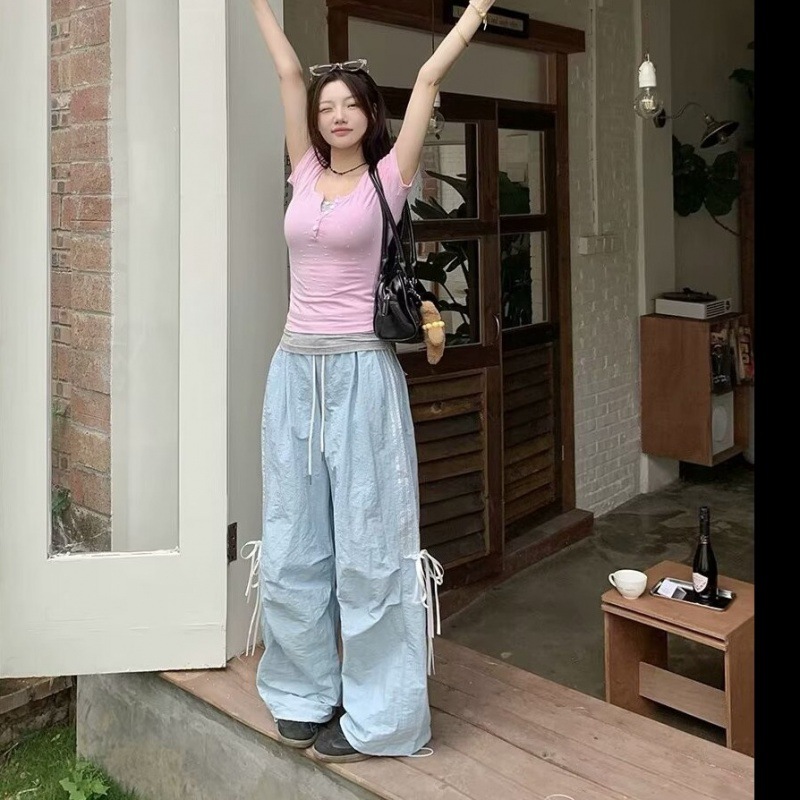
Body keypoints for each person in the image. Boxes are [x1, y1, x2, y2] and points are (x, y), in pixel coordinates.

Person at [246, 0, 497, 763]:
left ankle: (381, 717)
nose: (335, 114)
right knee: (292, 543)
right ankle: (304, 690)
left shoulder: (388, 180)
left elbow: (426, 81)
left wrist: (473, 15)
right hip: (294, 373)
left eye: (349, 104)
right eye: (326, 106)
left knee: (370, 550)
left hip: (361, 374)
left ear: (368, 114)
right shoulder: (303, 171)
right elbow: (287, 71)